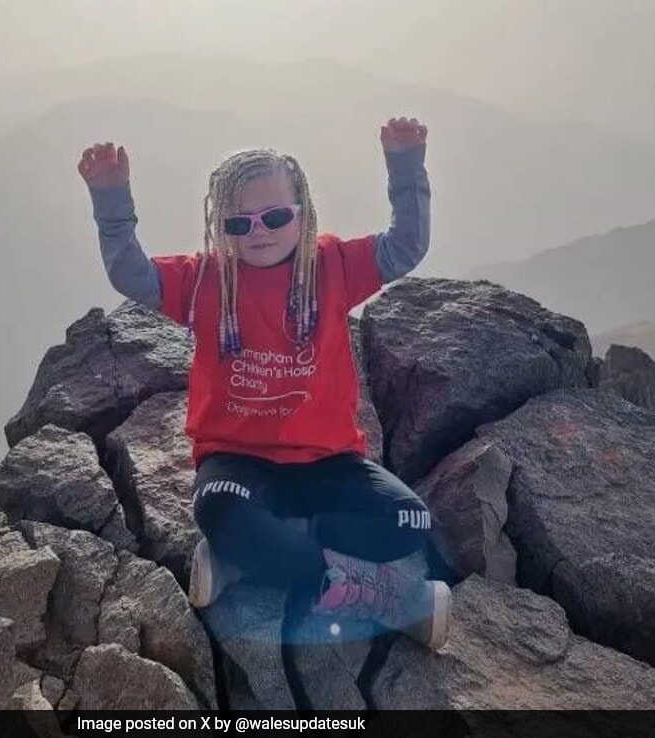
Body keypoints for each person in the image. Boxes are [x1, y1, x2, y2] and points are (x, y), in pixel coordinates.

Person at [77, 118, 449, 650]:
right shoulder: (206, 280)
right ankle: (390, 599)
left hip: (328, 462)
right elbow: (131, 275)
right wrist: (112, 200)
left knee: (409, 520)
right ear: (220, 226)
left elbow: (406, 246)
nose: (259, 231)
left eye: (275, 216)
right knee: (218, 508)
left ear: (303, 212)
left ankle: (246, 558)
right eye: (238, 223)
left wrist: (406, 167)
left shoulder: (334, 267)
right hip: (239, 461)